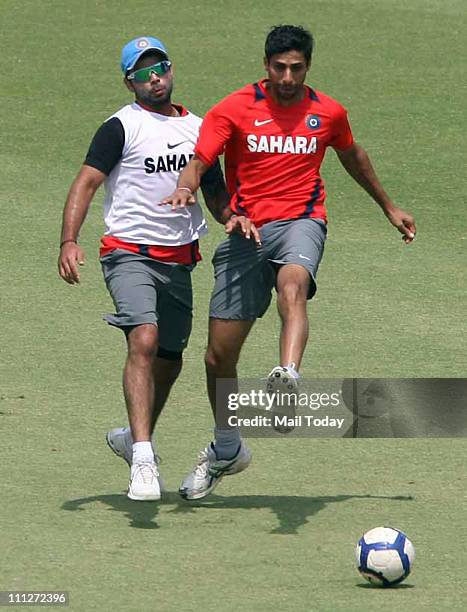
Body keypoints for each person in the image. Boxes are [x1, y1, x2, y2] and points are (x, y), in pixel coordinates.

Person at [163, 25, 417, 500]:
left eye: (296, 68)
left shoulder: (328, 112)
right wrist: (185, 187)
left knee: (293, 285)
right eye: (279, 68)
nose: (287, 77)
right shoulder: (233, 108)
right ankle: (226, 448)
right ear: (265, 66)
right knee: (219, 356)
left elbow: (352, 155)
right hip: (246, 231)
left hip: (302, 220)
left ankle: (288, 376)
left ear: (308, 67)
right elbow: (201, 159)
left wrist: (388, 205)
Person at [58, 36, 231, 501]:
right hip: (127, 251)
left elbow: (214, 188)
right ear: (129, 82)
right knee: (145, 338)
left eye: (160, 68)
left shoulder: (199, 127)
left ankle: (134, 436)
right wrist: (69, 240)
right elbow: (86, 182)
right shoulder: (120, 126)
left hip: (180, 260)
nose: (154, 78)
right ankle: (143, 458)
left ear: (171, 70)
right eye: (142, 73)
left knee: (169, 359)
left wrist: (232, 217)